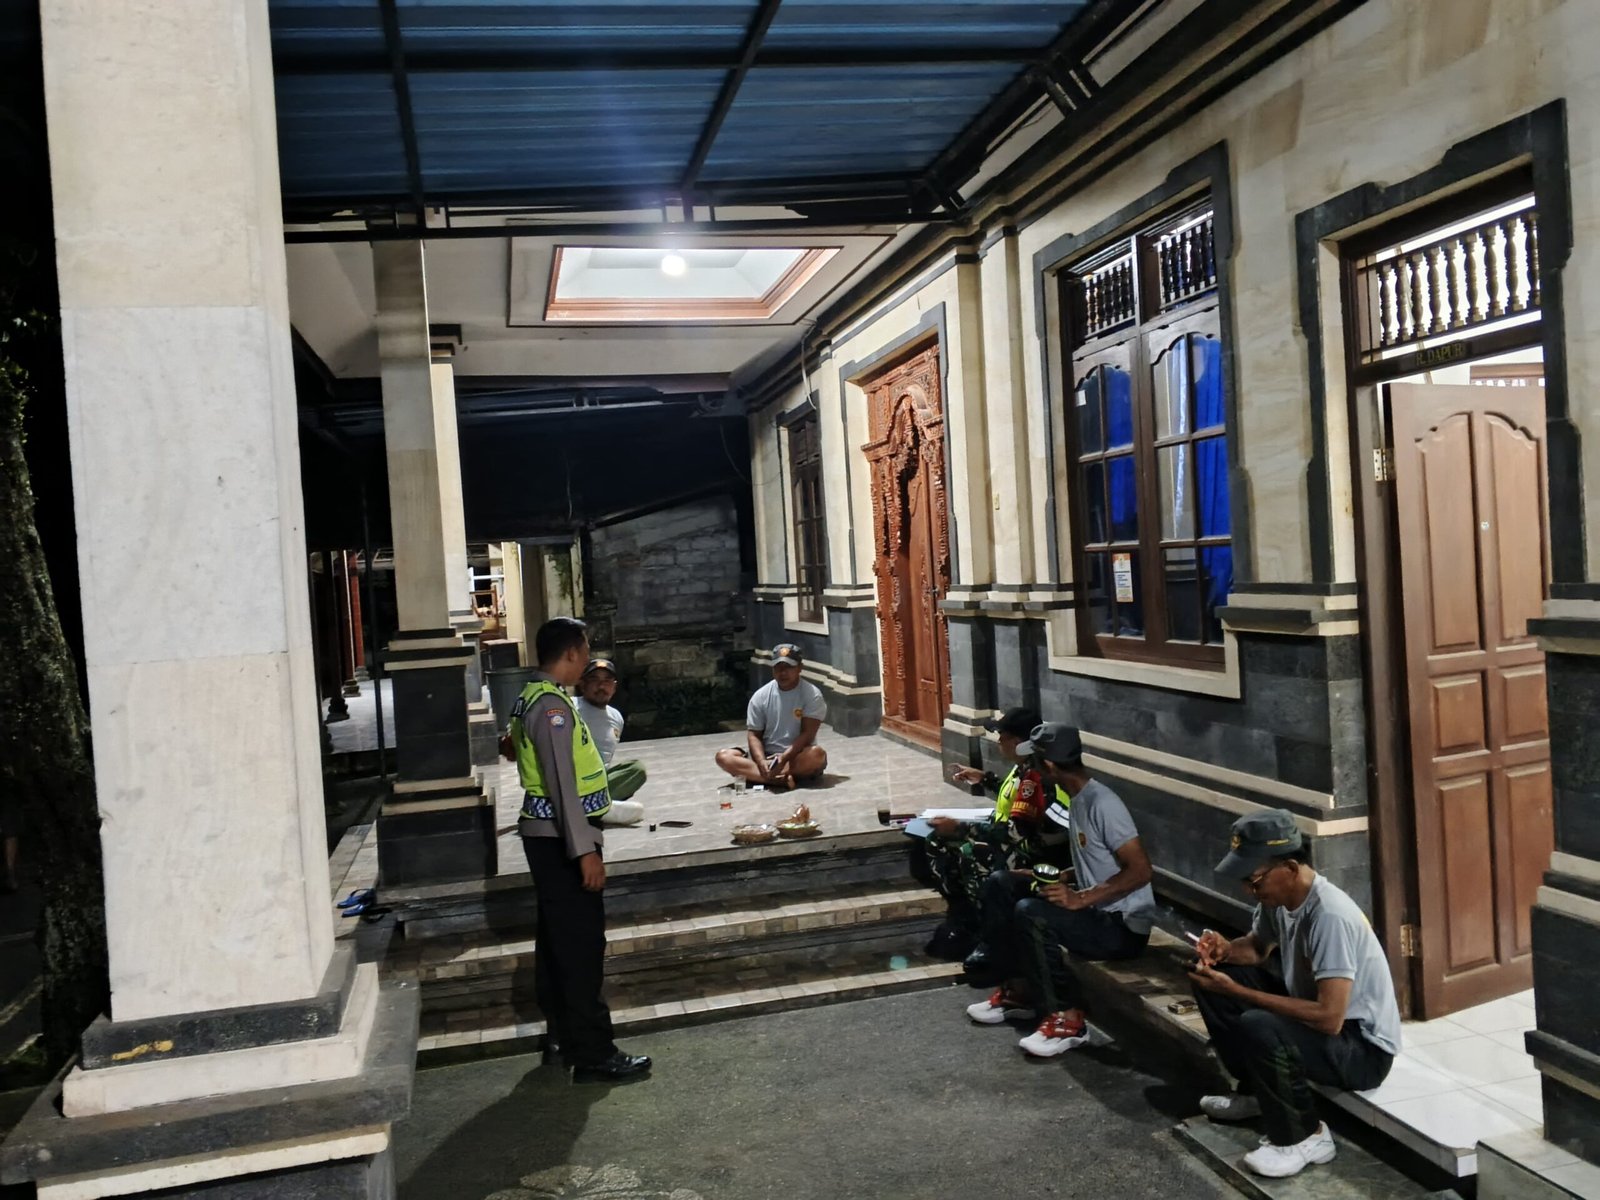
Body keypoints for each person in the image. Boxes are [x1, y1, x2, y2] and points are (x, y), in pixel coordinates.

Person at [1187, 810, 1399, 1179]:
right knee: (1213, 978)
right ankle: (1255, 1093)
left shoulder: (1329, 916)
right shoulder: (1280, 902)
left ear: (1289, 868)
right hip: (1328, 1026)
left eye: (1254, 880)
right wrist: (1224, 950)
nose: (1249, 890)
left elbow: (1329, 1018)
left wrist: (1240, 992)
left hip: (1361, 1049)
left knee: (1258, 1024)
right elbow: (1256, 948)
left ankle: (1306, 1136)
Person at [509, 617, 651, 1084]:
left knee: (557, 943)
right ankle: (593, 1053)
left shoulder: (532, 695)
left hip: (548, 838)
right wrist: (585, 850)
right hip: (561, 839)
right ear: (571, 653)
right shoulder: (553, 706)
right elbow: (562, 787)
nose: (588, 658)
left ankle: (562, 1038)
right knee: (581, 947)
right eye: (586, 650)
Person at [968, 722, 1157, 1058]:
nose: (1031, 768)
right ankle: (1019, 990)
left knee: (1032, 914)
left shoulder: (1103, 804)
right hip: (1096, 911)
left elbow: (1140, 870)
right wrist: (1061, 877)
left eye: (1034, 761)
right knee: (1004, 883)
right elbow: (1098, 862)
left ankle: (1067, 1019)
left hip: (1121, 928)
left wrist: (1081, 898)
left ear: (1049, 765)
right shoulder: (1078, 798)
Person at [918, 707, 1061, 960]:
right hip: (1014, 839)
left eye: (1002, 736)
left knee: (970, 851)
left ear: (1017, 743)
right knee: (937, 840)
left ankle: (986, 932)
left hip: (1033, 852)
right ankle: (963, 917)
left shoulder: (1035, 775)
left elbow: (1016, 832)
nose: (998, 741)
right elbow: (1013, 798)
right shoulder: (1025, 768)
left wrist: (960, 828)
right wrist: (985, 779)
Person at [714, 643, 827, 789]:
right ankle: (776, 779)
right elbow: (754, 735)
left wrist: (784, 758)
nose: (783, 673)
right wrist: (761, 761)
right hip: (766, 755)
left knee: (816, 755)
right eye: (778, 668)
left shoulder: (812, 695)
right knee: (723, 757)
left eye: (788, 667)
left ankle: (763, 776)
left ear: (800, 668)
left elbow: (808, 734)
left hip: (796, 756)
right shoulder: (760, 696)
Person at [573, 656, 647, 827]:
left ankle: (590, 808)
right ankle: (593, 809)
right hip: (572, 783)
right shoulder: (570, 706)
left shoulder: (616, 717)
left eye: (607, 681)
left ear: (614, 687)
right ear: (583, 685)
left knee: (636, 770)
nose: (601, 686)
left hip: (598, 783)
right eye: (594, 680)